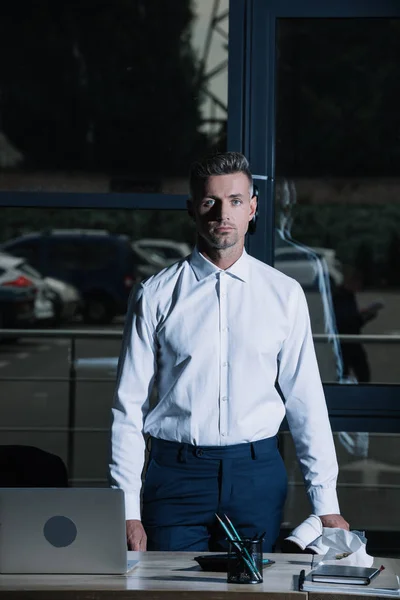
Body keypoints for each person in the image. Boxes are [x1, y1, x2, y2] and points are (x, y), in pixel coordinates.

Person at [109, 151, 349, 553]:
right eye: (210, 202)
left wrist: (326, 503)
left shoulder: (284, 295)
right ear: (192, 209)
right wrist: (127, 509)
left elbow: (306, 401)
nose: (224, 213)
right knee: (172, 594)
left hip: (257, 475)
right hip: (175, 476)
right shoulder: (155, 294)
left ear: (252, 209)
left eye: (235, 201)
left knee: (253, 594)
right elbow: (127, 406)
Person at [333, 268, 384, 383]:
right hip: (346, 341)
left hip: (350, 340)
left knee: (358, 373)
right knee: (356, 373)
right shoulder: (340, 297)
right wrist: (363, 317)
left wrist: (364, 315)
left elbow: (350, 319)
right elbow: (346, 321)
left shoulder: (347, 295)